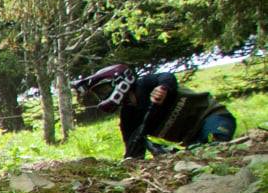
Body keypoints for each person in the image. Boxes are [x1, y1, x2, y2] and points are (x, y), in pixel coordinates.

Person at [71, 64, 237, 160]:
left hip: (212, 116)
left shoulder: (146, 84)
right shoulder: (129, 118)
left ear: (118, 82)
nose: (103, 96)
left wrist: (163, 88)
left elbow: (166, 76)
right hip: (192, 140)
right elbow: (133, 152)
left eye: (104, 90)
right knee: (201, 157)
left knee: (217, 147)